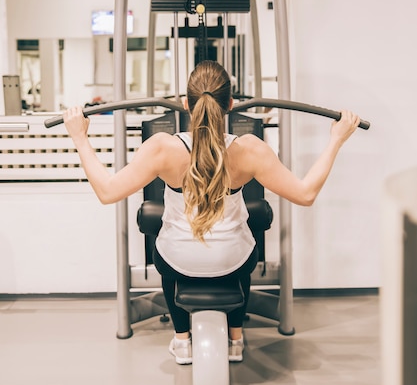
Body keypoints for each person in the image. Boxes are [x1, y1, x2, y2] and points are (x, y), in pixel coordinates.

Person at [63, 60, 360, 365]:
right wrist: (336, 139)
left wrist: (79, 138)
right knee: (243, 245)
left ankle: (181, 339)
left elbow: (107, 192)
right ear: (230, 104)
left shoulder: (162, 148)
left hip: (178, 260)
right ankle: (235, 337)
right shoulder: (250, 149)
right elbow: (306, 193)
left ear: (184, 104)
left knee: (165, 247)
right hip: (233, 260)